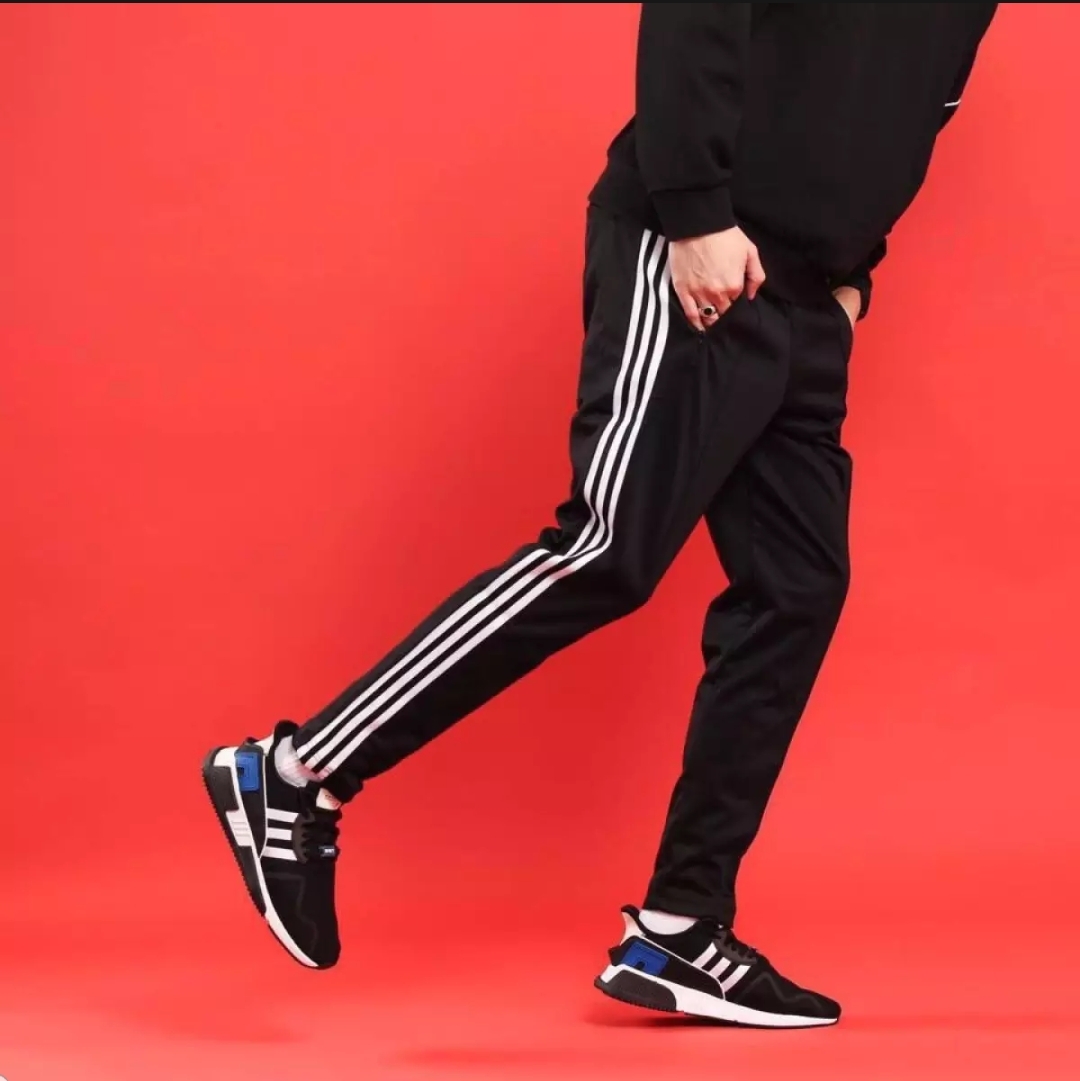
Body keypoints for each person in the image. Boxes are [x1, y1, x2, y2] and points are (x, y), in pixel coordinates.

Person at [203, 3, 996, 1027]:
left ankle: (680, 925)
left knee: (798, 588)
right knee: (607, 545)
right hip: (707, 249)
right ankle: (295, 772)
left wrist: (855, 272)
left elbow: (911, 105)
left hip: (808, 294)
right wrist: (695, 213)